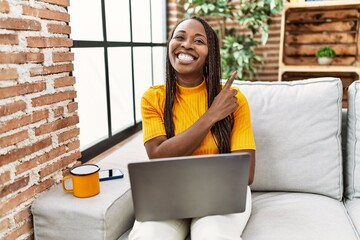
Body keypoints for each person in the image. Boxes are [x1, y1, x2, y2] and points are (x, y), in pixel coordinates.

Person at [129, 16, 256, 240]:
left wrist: (219, 108)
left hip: (221, 194)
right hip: (168, 192)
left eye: (198, 41)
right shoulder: (153, 98)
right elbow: (157, 156)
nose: (186, 44)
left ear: (210, 55)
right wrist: (211, 115)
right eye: (179, 37)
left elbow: (245, 174)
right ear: (170, 46)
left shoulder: (233, 101)